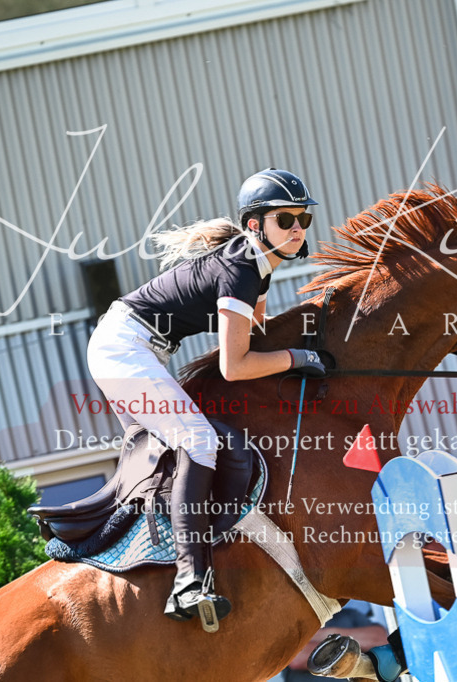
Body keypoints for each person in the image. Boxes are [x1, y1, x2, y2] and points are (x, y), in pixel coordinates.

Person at [87, 168, 326, 625]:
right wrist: (298, 358)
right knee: (199, 441)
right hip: (124, 348)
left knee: (175, 454)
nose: (297, 228)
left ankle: (166, 561)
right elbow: (234, 366)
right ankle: (188, 580)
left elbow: (253, 342)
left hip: (133, 348)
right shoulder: (241, 268)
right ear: (255, 225)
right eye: (286, 219)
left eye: (303, 220)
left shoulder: (255, 269)